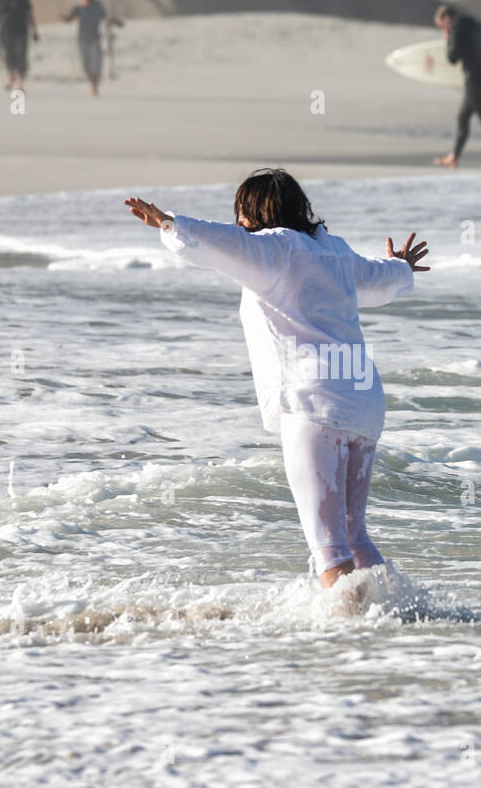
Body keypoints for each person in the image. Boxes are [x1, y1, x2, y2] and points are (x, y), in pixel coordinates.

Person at [123, 170, 430, 589]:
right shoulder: (334, 252)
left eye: (242, 214)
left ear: (258, 213)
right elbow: (377, 280)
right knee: (355, 537)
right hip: (361, 395)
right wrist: (401, 267)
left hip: (315, 399)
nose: (238, 224)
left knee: (329, 547)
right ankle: (397, 618)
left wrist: (169, 222)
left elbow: (219, 242)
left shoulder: (277, 249)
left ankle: (351, 643)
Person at [433, 4, 481, 171]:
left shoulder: (458, 30)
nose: (443, 28)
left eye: (441, 25)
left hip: (473, 80)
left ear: (446, 18)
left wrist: (448, 37)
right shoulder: (475, 25)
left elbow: (452, 57)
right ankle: (454, 157)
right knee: (463, 118)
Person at [62, 0, 105, 96]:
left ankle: (94, 87)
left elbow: (105, 18)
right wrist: (64, 18)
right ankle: (92, 84)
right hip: (82, 40)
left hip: (95, 39)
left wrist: (111, 28)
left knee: (96, 64)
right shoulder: (77, 7)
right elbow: (70, 18)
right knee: (86, 66)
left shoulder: (98, 5)